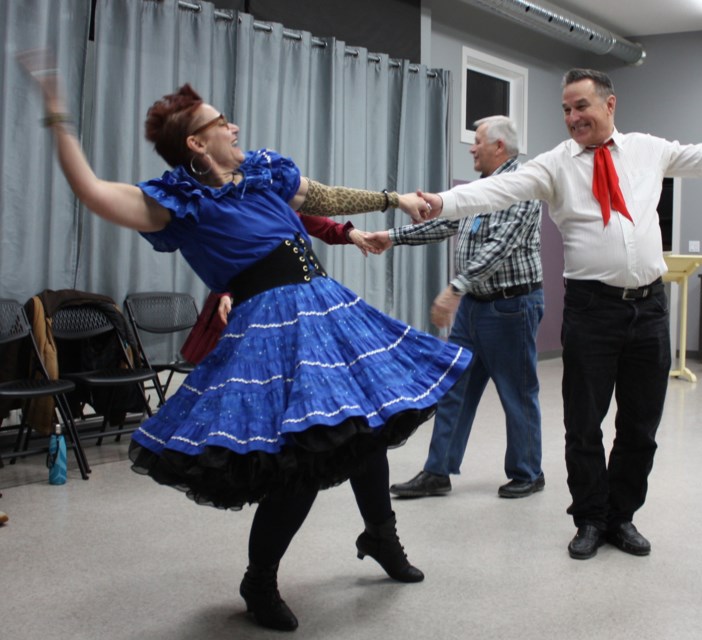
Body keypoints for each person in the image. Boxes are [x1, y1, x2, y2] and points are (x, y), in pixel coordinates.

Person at [21, 51, 471, 632]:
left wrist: (393, 200)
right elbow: (90, 190)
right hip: (269, 331)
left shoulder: (263, 173)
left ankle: (380, 535)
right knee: (303, 459)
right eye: (220, 123)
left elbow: (325, 197)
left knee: (363, 431)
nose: (233, 127)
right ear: (197, 145)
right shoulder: (178, 204)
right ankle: (260, 579)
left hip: (326, 310)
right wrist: (58, 117)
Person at [417, 68, 702, 560]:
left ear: (609, 105)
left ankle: (621, 516)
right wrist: (440, 202)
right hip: (591, 311)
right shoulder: (554, 165)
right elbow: (496, 191)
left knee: (640, 425)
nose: (572, 117)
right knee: (584, 424)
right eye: (565, 109)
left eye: (581, 106)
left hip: (648, 309)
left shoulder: (648, 150)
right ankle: (589, 518)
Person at [366, 116, 545, 499]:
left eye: (478, 141)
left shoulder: (525, 187)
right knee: (454, 388)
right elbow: (446, 224)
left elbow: (500, 247)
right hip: (475, 307)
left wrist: (454, 289)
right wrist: (392, 237)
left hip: (511, 306)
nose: (472, 148)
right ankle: (438, 471)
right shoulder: (480, 189)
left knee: (516, 391)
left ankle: (528, 472)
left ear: (499, 146)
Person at [182, 213, 381, 365]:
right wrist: (225, 293)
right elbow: (221, 252)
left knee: (307, 359)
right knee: (255, 364)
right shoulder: (236, 210)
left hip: (298, 299)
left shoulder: (283, 203)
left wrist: (350, 233)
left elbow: (323, 226)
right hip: (255, 299)